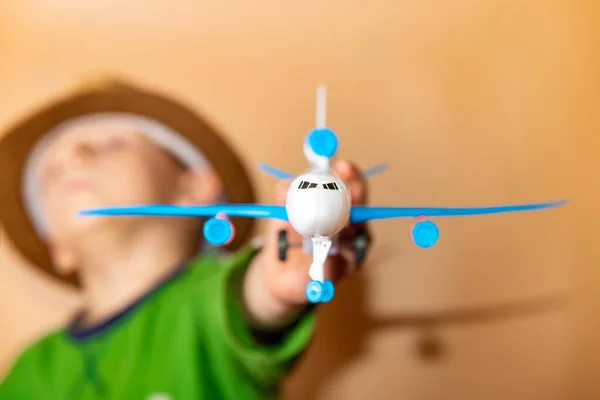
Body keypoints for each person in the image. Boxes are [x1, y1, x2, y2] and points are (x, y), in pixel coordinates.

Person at [0, 79, 370, 399]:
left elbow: (247, 303)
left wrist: (274, 286)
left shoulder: (207, 300)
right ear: (57, 250)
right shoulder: (29, 371)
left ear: (194, 187)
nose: (75, 157)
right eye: (52, 172)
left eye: (111, 143)